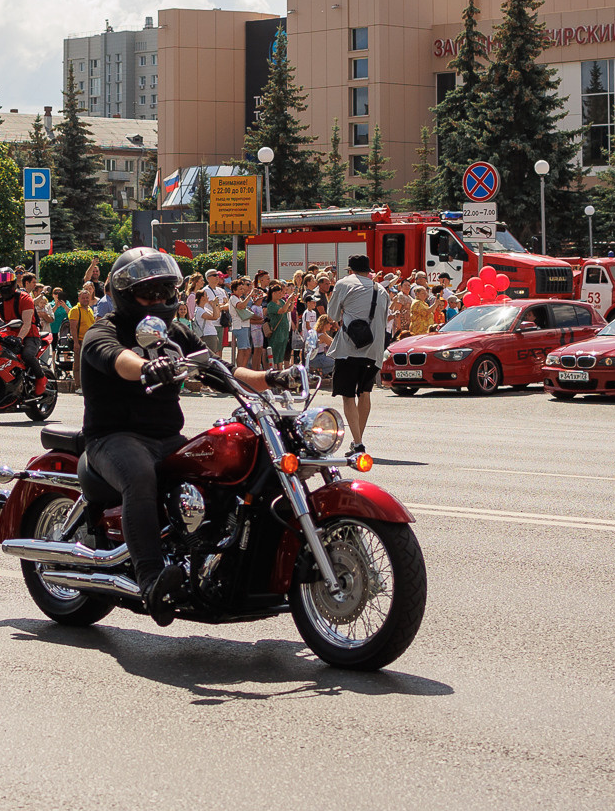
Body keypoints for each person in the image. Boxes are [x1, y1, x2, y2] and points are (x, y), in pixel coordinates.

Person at [77, 246, 300, 624]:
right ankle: (150, 579)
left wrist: (271, 378)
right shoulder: (105, 330)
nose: (160, 300)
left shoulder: (175, 332)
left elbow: (220, 368)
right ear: (124, 294)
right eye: (151, 293)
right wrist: (148, 366)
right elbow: (119, 359)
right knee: (139, 476)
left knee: (217, 471)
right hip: (112, 439)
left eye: (166, 292)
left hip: (165, 437)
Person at [325, 253, 388, 454]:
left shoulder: (344, 284)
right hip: (375, 349)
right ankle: (357, 440)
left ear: (350, 270)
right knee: (365, 392)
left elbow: (331, 315)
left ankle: (358, 442)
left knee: (348, 395)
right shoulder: (382, 289)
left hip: (350, 348)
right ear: (368, 270)